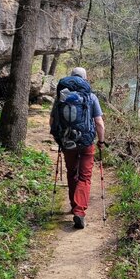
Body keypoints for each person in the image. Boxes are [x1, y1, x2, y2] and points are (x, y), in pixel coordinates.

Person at [57, 67, 106, 229]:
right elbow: (99, 123)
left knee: (72, 173)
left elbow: (52, 121)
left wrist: (59, 138)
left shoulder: (62, 97)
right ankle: (79, 211)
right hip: (86, 143)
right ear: (85, 79)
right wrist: (101, 141)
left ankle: (74, 205)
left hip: (67, 142)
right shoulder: (91, 97)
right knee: (84, 177)